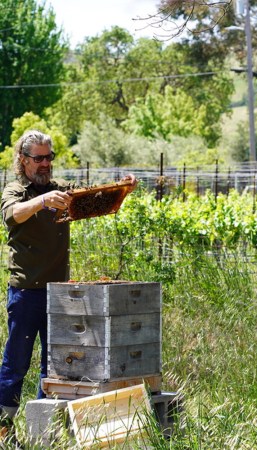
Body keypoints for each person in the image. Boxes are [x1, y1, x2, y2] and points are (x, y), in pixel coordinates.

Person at [0, 130, 136, 445]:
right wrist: (42, 201)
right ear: (24, 160)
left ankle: (41, 431)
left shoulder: (62, 190)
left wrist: (124, 189)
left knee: (56, 367)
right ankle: (4, 430)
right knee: (16, 362)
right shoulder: (16, 190)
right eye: (39, 158)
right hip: (25, 293)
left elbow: (99, 201)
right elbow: (12, 214)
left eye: (50, 157)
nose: (46, 163)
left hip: (60, 294)